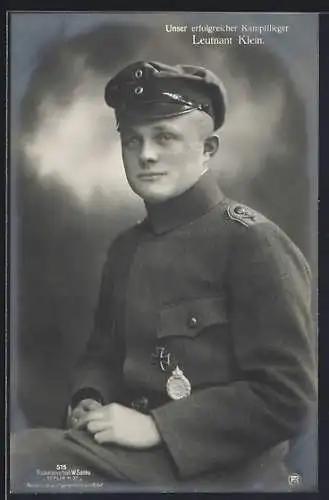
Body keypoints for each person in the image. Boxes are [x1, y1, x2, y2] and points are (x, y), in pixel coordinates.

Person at [11, 61, 317, 493]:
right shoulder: (126, 249)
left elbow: (289, 400)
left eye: (165, 137)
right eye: (132, 140)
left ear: (208, 150)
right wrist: (88, 398)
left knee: (22, 462)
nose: (146, 155)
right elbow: (103, 352)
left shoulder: (254, 244)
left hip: (225, 472)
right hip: (130, 456)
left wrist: (158, 427)